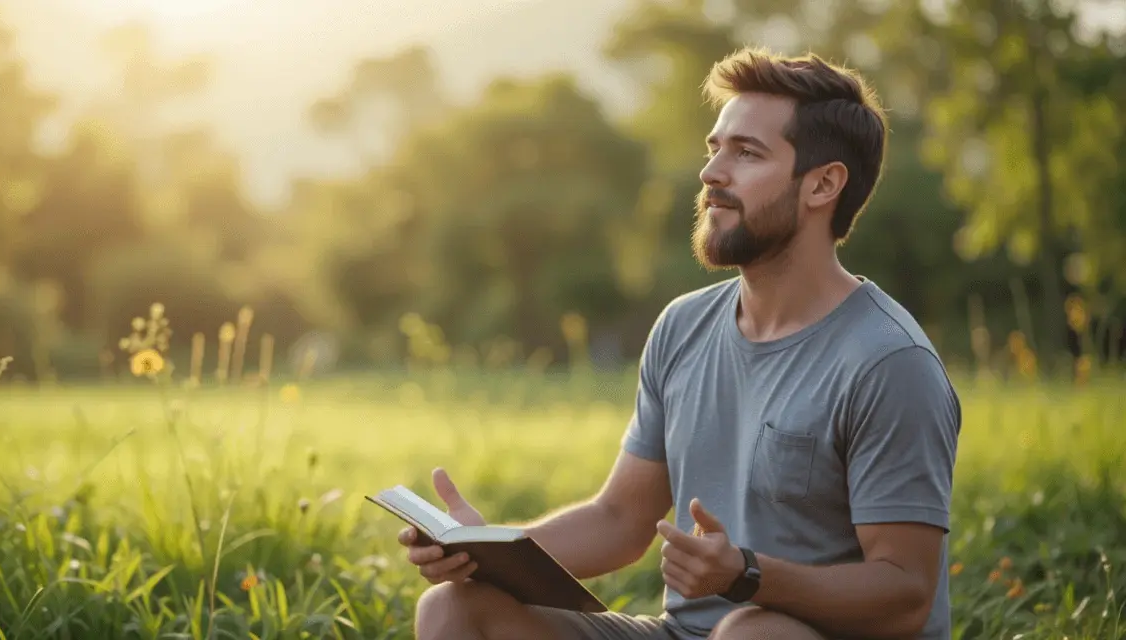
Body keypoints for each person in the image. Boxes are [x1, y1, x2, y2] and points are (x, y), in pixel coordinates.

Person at [398, 46, 962, 640]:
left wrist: (747, 574)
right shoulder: (683, 327)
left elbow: (904, 596)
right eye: (714, 148)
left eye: (746, 153)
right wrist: (485, 551)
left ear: (823, 184)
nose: (712, 172)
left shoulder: (888, 362)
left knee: (750, 633)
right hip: (689, 633)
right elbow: (619, 519)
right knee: (452, 609)